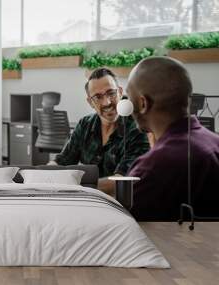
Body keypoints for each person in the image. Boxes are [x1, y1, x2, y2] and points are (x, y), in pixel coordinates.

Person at [126, 56, 219, 221]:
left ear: (142, 104)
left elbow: (126, 229)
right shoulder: (214, 142)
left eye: (128, 97)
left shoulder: (153, 167)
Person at [52, 68, 150, 195]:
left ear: (120, 92)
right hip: (90, 200)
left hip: (124, 204)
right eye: (98, 97)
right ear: (90, 102)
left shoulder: (137, 127)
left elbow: (121, 181)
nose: (107, 102)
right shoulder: (85, 124)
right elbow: (61, 161)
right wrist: (44, 175)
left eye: (111, 93)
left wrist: (75, 186)